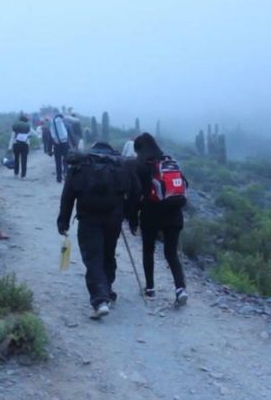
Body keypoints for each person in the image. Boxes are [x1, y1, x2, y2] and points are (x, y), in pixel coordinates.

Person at [57, 142, 140, 319]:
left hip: (88, 219)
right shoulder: (120, 166)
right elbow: (135, 191)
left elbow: (68, 196)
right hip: (114, 219)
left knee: (93, 257)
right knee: (108, 253)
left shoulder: (80, 166)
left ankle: (99, 299)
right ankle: (107, 290)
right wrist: (131, 217)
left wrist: (63, 221)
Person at [131, 132, 188, 306]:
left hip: (151, 214)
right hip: (174, 213)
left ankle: (150, 288)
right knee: (171, 254)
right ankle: (180, 289)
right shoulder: (169, 162)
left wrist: (132, 217)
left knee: (148, 250)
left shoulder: (142, 165)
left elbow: (136, 194)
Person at [8, 114, 32, 179]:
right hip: (25, 145)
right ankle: (23, 176)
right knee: (24, 160)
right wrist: (28, 146)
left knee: (16, 159)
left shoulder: (16, 126)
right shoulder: (27, 127)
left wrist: (10, 147)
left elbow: (12, 137)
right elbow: (29, 137)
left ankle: (16, 173)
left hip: (16, 144)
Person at [50, 113, 71, 183]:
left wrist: (54, 140)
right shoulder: (62, 122)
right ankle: (66, 173)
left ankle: (59, 178)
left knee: (57, 161)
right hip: (64, 143)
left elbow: (51, 135)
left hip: (56, 144)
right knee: (66, 159)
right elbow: (66, 133)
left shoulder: (52, 123)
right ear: (61, 117)